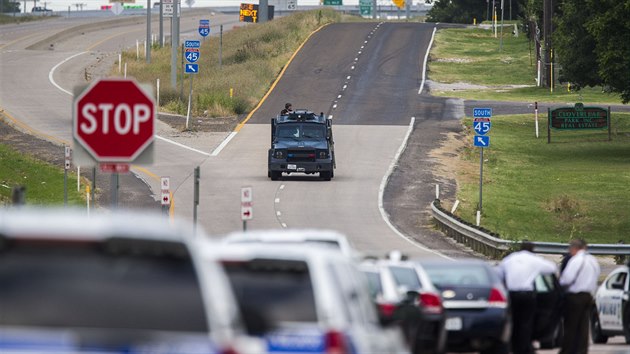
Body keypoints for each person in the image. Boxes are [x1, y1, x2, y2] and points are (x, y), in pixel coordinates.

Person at [496, 242, 557, 354]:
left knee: (513, 321)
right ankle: (524, 347)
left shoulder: (511, 259)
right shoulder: (534, 259)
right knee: (526, 322)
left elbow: (499, 274)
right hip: (527, 295)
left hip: (512, 294)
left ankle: (513, 346)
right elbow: (552, 268)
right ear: (532, 249)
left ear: (520, 248)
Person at [558, 238, 600, 354]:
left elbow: (567, 279)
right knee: (583, 326)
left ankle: (567, 350)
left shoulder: (576, 260)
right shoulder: (592, 260)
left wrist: (560, 284)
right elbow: (596, 276)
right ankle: (582, 350)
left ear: (575, 248)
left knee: (571, 325)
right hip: (588, 295)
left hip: (575, 296)